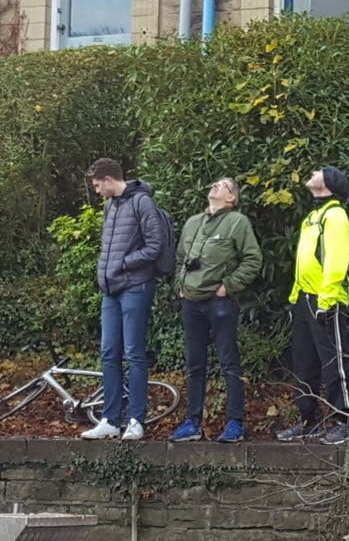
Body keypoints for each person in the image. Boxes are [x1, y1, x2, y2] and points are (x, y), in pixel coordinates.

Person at [80, 159, 171, 443]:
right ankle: (110, 419)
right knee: (109, 353)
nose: (96, 191)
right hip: (111, 290)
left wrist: (123, 264)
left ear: (108, 180)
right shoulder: (111, 206)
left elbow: (155, 246)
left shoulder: (141, 202)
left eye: (97, 185)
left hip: (135, 287)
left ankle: (135, 420)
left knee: (134, 353)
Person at [173, 177, 263, 443]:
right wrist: (180, 285)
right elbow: (180, 258)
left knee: (229, 362)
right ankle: (192, 422)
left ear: (231, 198)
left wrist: (228, 286)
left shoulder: (238, 222)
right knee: (194, 364)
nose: (214, 186)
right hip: (191, 302)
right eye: (214, 183)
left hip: (219, 302)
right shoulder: (192, 223)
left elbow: (252, 259)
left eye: (223, 185)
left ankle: (235, 423)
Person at [280, 166, 349, 445]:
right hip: (304, 299)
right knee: (303, 362)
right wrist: (295, 296)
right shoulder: (313, 217)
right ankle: (308, 419)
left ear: (330, 183)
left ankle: (344, 421)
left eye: (319, 171)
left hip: (327, 299)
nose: (312, 172)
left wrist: (327, 299)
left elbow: (336, 260)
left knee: (335, 362)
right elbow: (305, 261)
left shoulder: (335, 215)